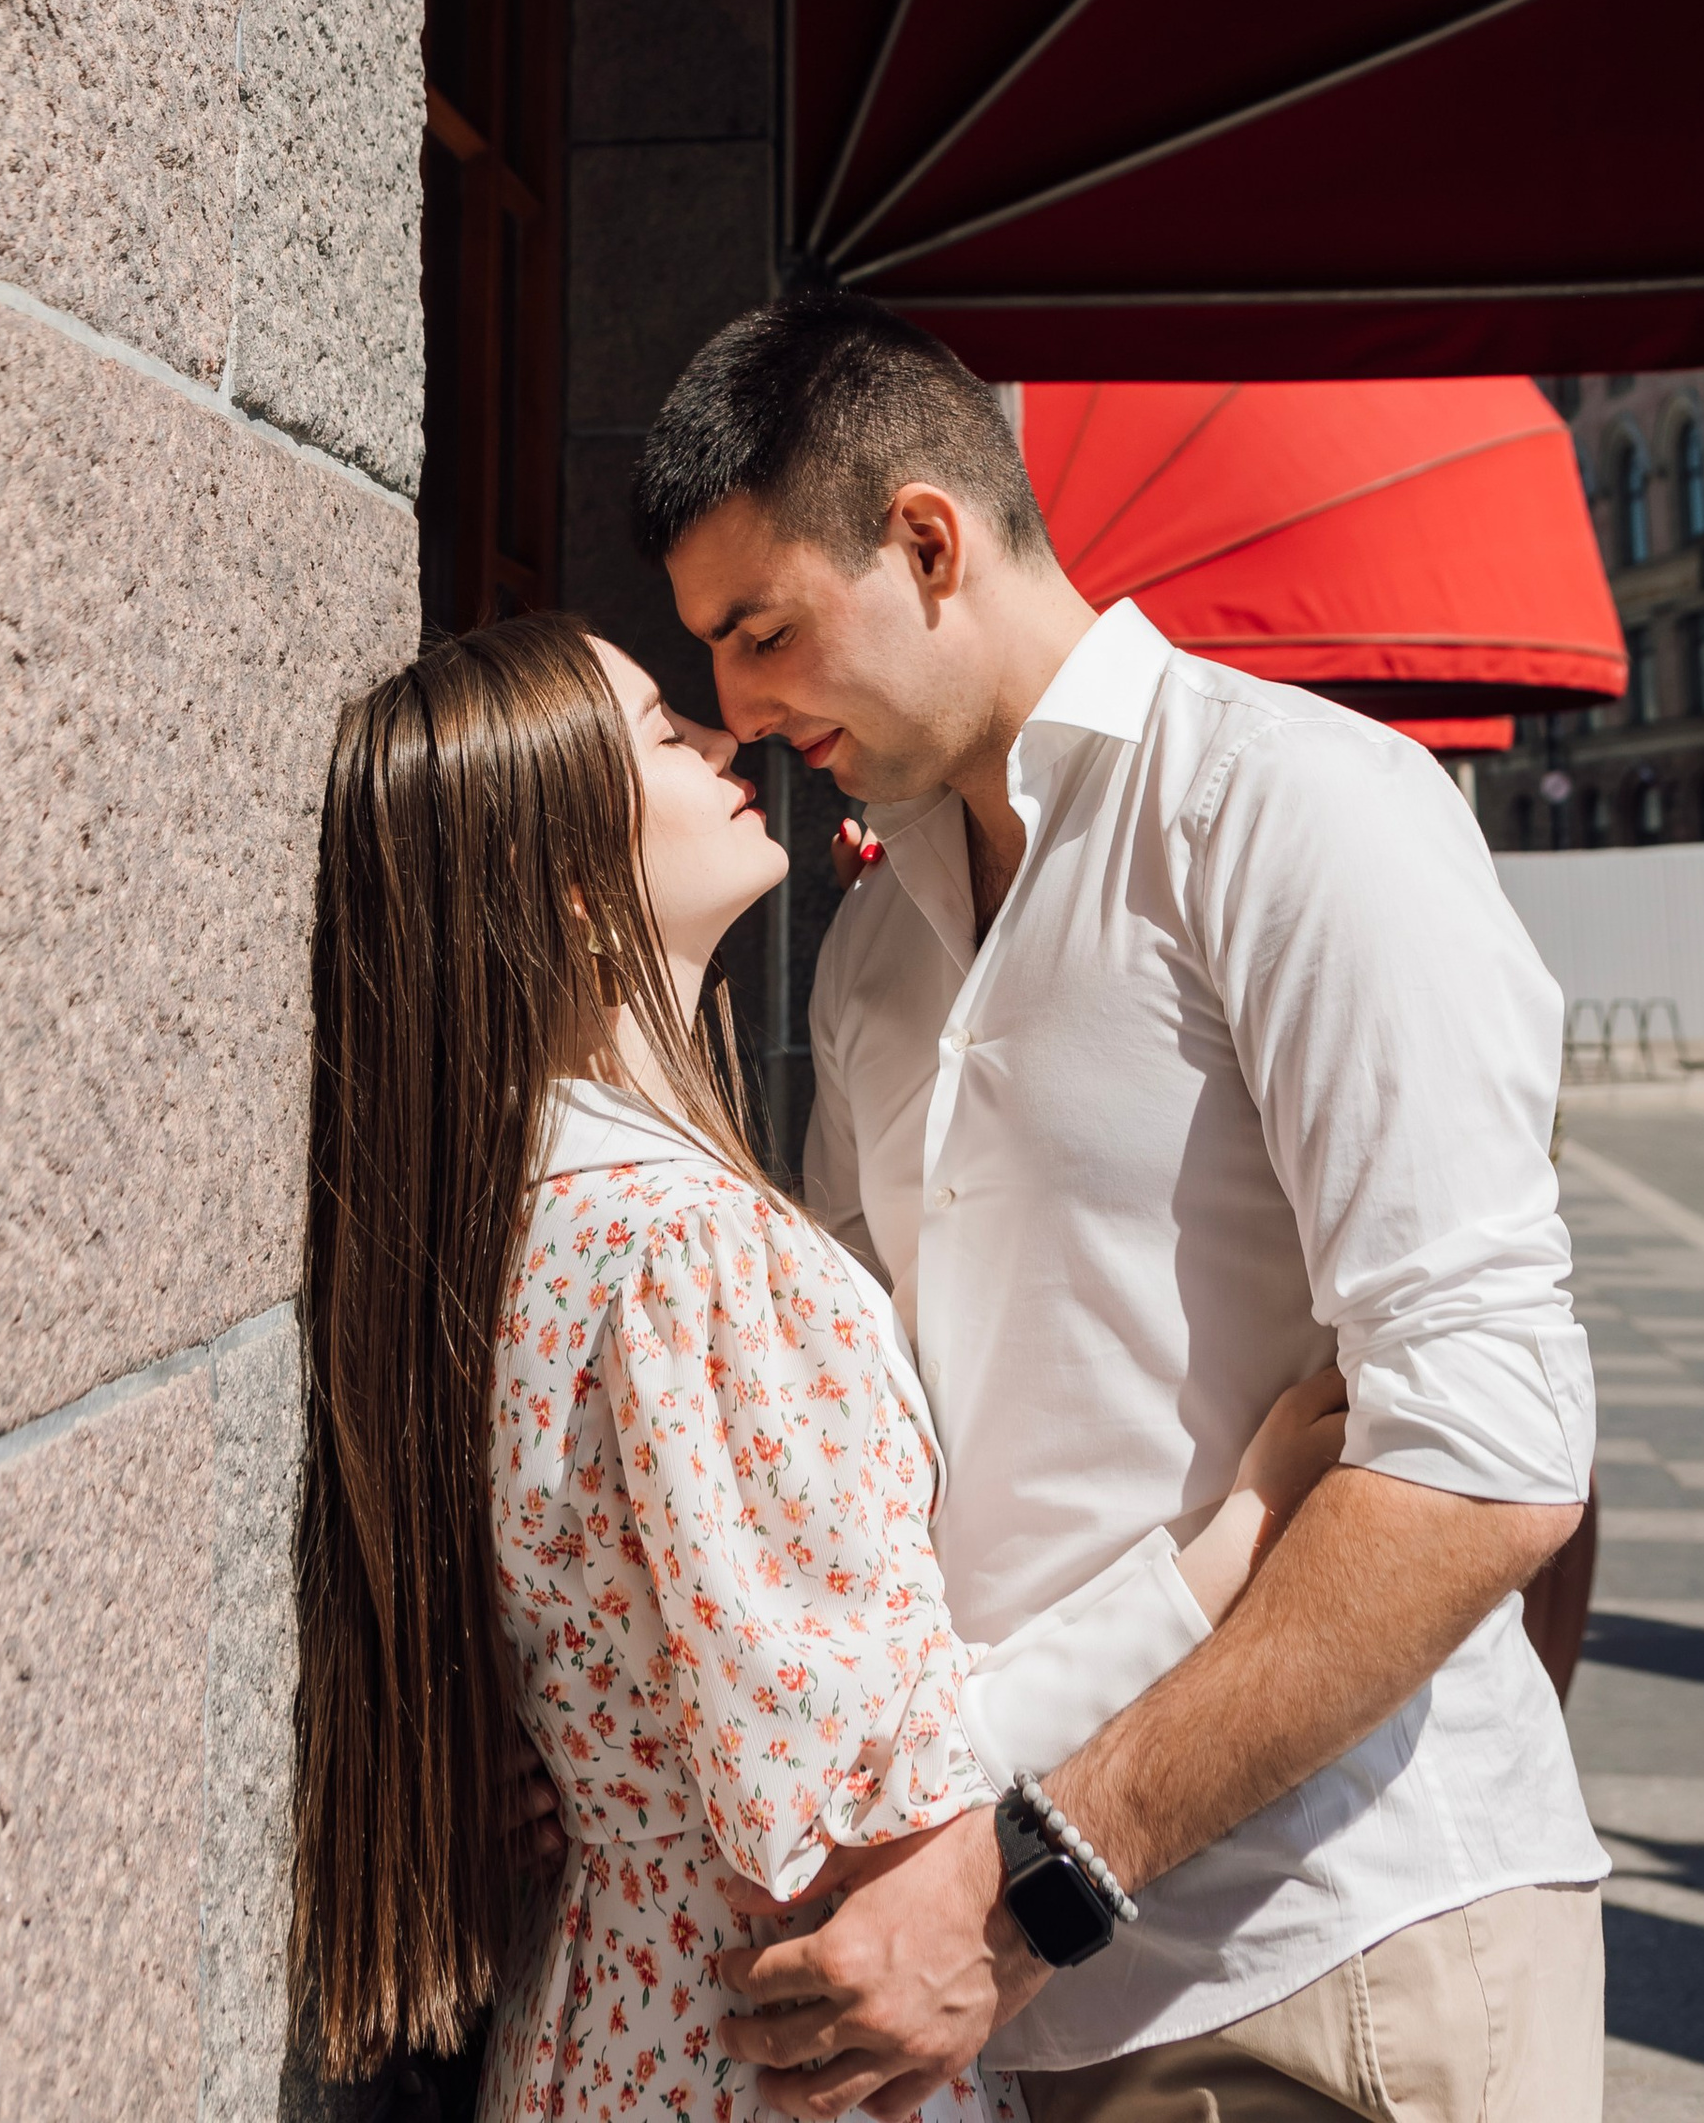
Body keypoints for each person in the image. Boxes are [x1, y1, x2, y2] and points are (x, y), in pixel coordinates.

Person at [633, 296, 1606, 2123]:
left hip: (1327, 1952)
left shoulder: (1300, 815)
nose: (744, 713)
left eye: (762, 633)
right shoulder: (864, 954)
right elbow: (862, 1463)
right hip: (1015, 2000)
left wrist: (1041, 1878)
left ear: (927, 539)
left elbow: (1490, 1452)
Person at [289, 614, 1349, 2121]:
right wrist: (1242, 1539)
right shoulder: (685, 1254)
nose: (727, 742)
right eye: (666, 731)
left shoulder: (504, 1219)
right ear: (579, 894)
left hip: (606, 2029)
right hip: (768, 2051)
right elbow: (877, 1789)